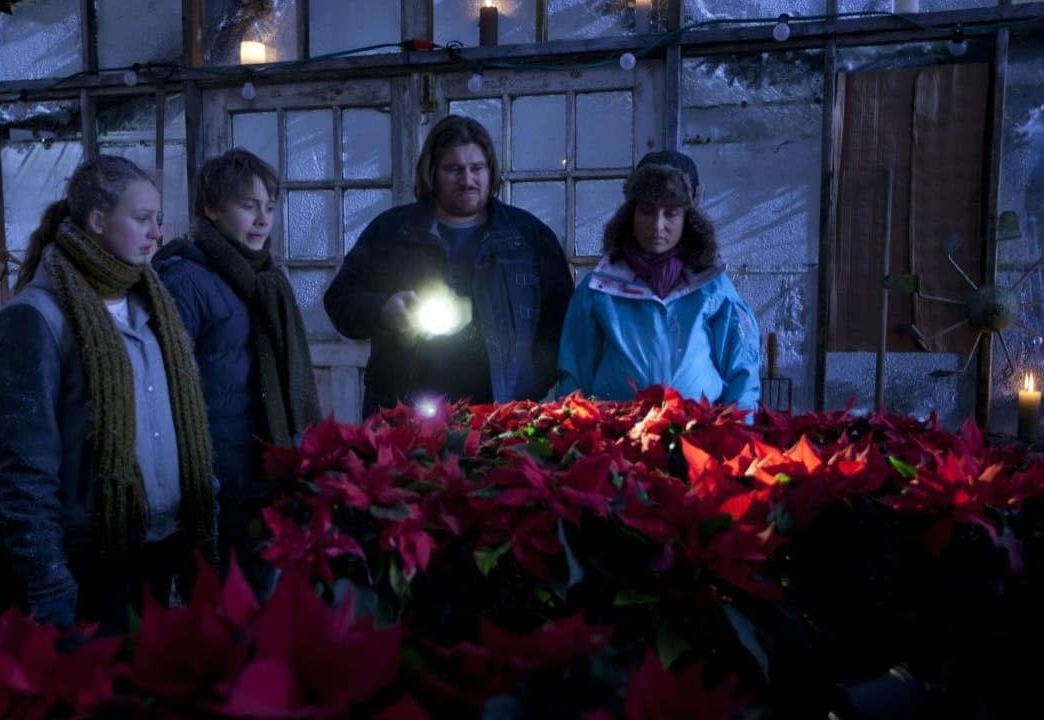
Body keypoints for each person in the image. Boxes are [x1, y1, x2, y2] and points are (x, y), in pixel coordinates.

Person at [0, 155, 217, 631]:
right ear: (97, 221)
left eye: (158, 219)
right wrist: (47, 575)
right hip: (92, 554)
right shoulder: (38, 316)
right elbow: (23, 462)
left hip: (164, 542)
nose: (157, 233)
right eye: (142, 219)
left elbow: (180, 422)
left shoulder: (154, 303)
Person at [323, 114, 574, 416]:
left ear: (490, 171)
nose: (467, 180)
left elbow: (563, 323)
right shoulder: (391, 232)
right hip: (404, 416)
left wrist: (531, 383)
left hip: (501, 416)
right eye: (453, 169)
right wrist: (383, 310)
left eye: (476, 168)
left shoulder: (529, 237)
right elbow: (339, 300)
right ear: (432, 173)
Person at [153, 148, 320, 591]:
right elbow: (166, 385)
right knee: (224, 597)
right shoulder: (184, 279)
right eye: (249, 206)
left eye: (270, 207)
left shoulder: (264, 279)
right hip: (219, 475)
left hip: (265, 468)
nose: (263, 219)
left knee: (265, 590)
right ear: (212, 209)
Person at [557, 156, 760, 409]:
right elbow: (574, 374)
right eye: (646, 210)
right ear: (631, 214)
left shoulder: (712, 286)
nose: (657, 225)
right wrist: (570, 426)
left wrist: (740, 428)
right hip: (616, 430)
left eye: (671, 213)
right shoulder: (600, 287)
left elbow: (742, 372)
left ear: (688, 218)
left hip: (698, 429)